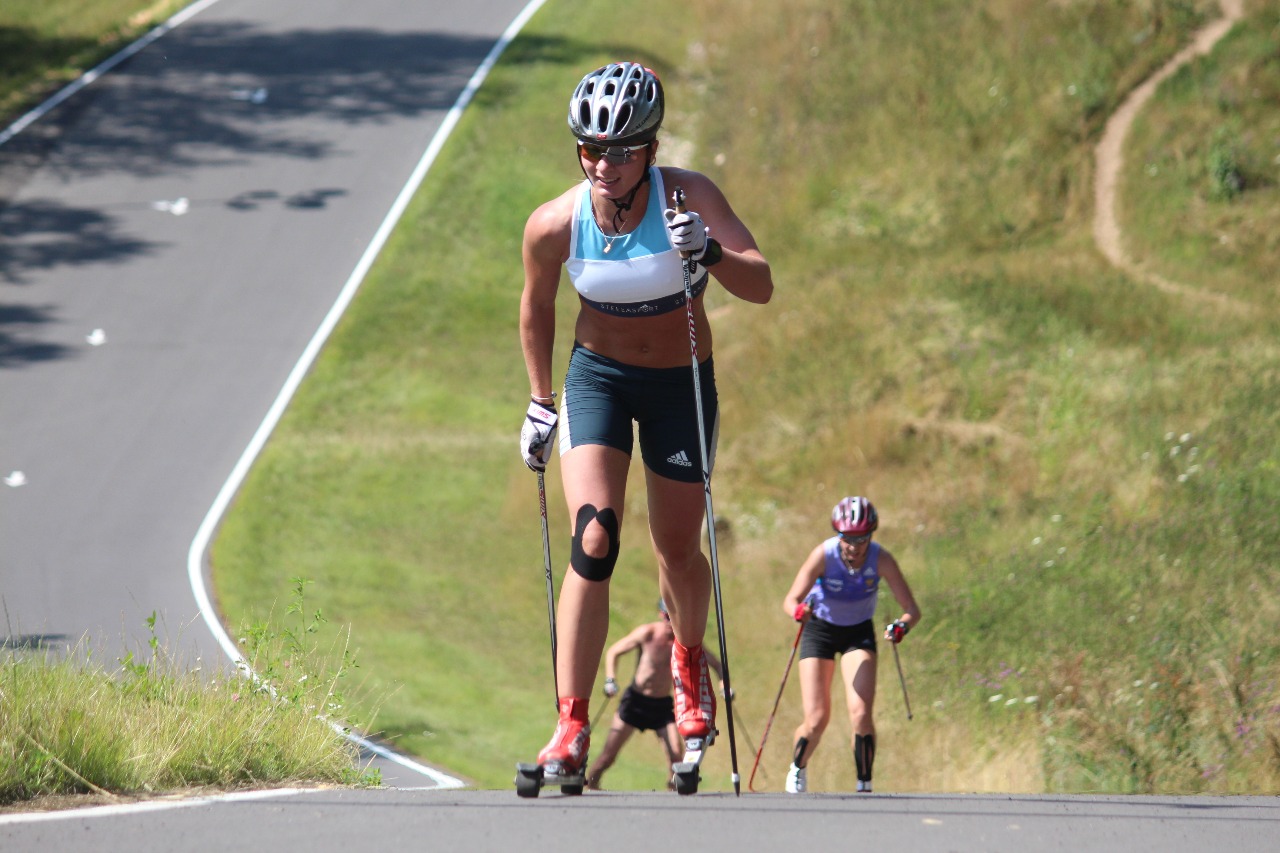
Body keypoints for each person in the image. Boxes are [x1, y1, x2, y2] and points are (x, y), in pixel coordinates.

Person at [518, 61, 773, 778]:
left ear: (651, 150)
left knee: (676, 550)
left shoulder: (689, 196)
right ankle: (570, 725)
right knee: (594, 537)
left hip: (679, 384)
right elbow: (536, 308)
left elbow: (761, 283)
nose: (605, 163)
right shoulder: (556, 223)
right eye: (591, 149)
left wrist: (711, 252)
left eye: (622, 149)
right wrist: (541, 401)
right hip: (597, 378)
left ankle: (689, 668)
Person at [780, 496, 921, 793]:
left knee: (860, 713)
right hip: (820, 630)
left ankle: (864, 783)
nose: (854, 547)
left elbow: (912, 609)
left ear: (871, 535)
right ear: (838, 535)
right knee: (817, 719)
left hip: (857, 633)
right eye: (848, 539)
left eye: (862, 538)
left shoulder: (881, 559)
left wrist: (901, 627)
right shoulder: (823, 555)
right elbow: (791, 599)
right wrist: (798, 611)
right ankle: (798, 768)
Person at [587, 600, 724, 790]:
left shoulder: (684, 642)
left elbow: (716, 664)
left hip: (662, 706)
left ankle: (674, 791)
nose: (670, 622)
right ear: (661, 615)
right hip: (635, 702)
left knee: (676, 753)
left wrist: (723, 684)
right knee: (608, 756)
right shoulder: (648, 633)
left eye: (674, 618)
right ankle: (590, 786)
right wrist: (610, 679)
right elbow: (614, 652)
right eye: (667, 617)